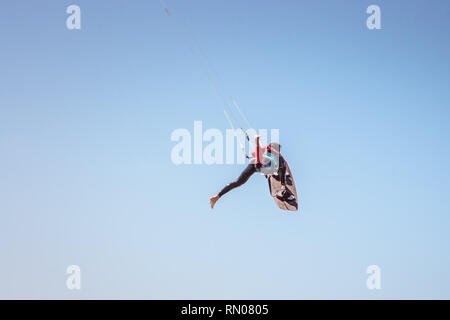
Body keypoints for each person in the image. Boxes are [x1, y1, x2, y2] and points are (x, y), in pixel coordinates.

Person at [210, 135, 287, 209]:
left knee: (279, 169)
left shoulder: (280, 161)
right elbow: (255, 153)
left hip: (269, 166)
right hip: (255, 166)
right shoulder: (263, 154)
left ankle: (273, 173)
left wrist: (283, 185)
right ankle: (217, 196)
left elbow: (281, 168)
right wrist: (256, 141)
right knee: (238, 182)